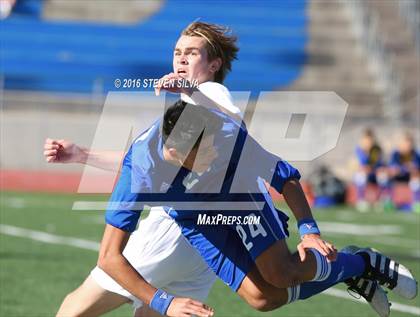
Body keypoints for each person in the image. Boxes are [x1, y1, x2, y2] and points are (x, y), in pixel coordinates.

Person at [44, 21, 417, 317]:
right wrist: (83, 153)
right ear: (174, 152)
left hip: (236, 201)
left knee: (279, 276)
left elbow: (279, 171)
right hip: (191, 222)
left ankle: (359, 262)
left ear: (214, 64)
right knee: (262, 298)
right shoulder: (148, 157)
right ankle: (352, 268)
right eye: (177, 52)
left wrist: (309, 230)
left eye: (192, 52)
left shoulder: (216, 110)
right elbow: (116, 232)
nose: (181, 58)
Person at [354, 129, 391, 212]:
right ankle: (361, 200)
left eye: (369, 140)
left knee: (383, 175)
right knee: (360, 175)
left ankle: (383, 200)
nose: (368, 142)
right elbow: (360, 164)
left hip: (374, 173)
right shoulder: (359, 149)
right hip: (366, 173)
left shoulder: (376, 149)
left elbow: (376, 163)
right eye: (366, 140)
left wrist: (373, 168)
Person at [389, 132, 420, 212]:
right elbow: (392, 170)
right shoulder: (395, 154)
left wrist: (411, 169)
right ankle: (387, 200)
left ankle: (416, 203)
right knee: (383, 176)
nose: (407, 147)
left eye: (409, 145)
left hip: (410, 178)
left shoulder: (415, 154)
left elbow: (416, 169)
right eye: (405, 145)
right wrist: (403, 168)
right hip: (397, 177)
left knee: (416, 178)